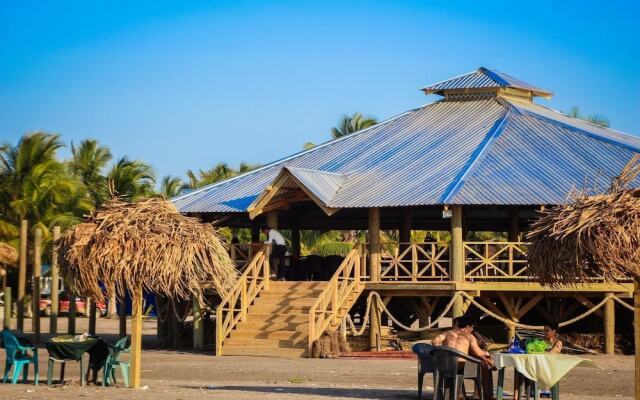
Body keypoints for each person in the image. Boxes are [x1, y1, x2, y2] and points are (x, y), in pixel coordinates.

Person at [432, 317, 496, 400]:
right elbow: (478, 353)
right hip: (459, 368)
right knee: (484, 363)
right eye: (472, 327)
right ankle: (483, 395)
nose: (472, 329)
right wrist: (486, 354)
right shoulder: (469, 337)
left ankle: (458, 395)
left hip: (444, 367)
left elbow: (434, 341)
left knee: (485, 362)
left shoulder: (447, 333)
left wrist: (444, 349)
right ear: (468, 326)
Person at [513, 322, 563, 400]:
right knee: (519, 366)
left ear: (554, 331)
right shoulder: (539, 341)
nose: (544, 332)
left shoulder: (557, 343)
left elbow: (552, 353)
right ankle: (516, 396)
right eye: (544, 330)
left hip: (547, 369)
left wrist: (537, 352)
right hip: (536, 366)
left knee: (522, 367)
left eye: (547, 330)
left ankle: (524, 394)